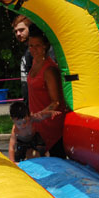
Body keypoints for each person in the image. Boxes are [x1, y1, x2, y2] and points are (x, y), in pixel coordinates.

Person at [26, 26, 67, 158]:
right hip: (38, 122)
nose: (33, 49)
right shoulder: (34, 62)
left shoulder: (49, 70)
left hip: (50, 123)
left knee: (55, 159)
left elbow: (56, 102)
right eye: (31, 46)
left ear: (45, 46)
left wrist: (40, 115)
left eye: (37, 46)